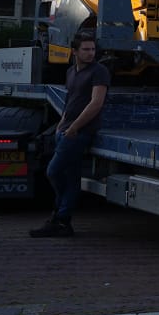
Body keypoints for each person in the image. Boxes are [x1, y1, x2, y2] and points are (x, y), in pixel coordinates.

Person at [30, 32, 111, 237]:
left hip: (80, 132)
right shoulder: (70, 72)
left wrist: (74, 127)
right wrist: (62, 123)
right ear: (74, 51)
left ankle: (60, 216)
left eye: (92, 49)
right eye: (85, 49)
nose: (90, 53)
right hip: (65, 129)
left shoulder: (99, 71)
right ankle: (62, 222)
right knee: (71, 178)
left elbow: (96, 103)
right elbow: (70, 100)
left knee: (53, 171)